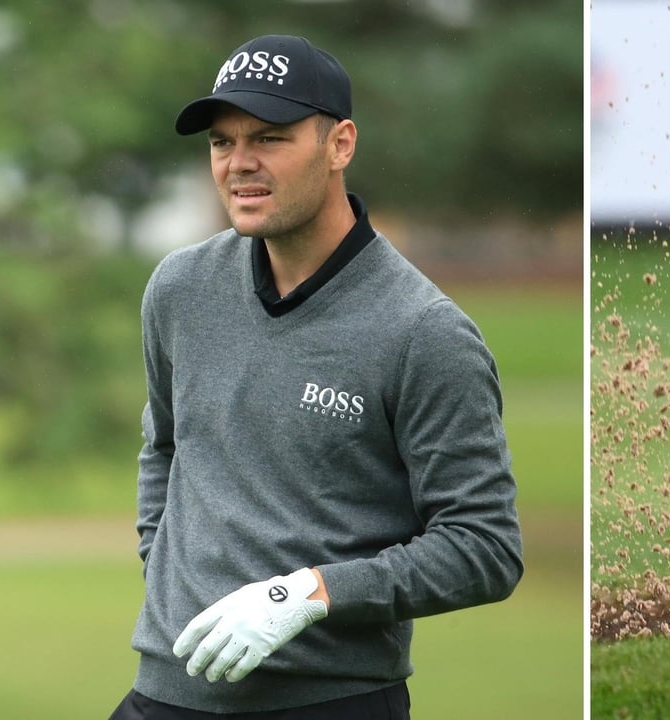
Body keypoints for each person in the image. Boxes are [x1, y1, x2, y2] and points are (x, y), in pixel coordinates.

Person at [109, 35, 523, 719]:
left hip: (330, 703)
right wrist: (166, 574)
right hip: (163, 696)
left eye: (270, 138)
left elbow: (484, 547)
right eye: (221, 142)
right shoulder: (179, 289)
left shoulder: (424, 332)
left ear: (340, 145)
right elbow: (165, 448)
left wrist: (309, 595)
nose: (240, 164)